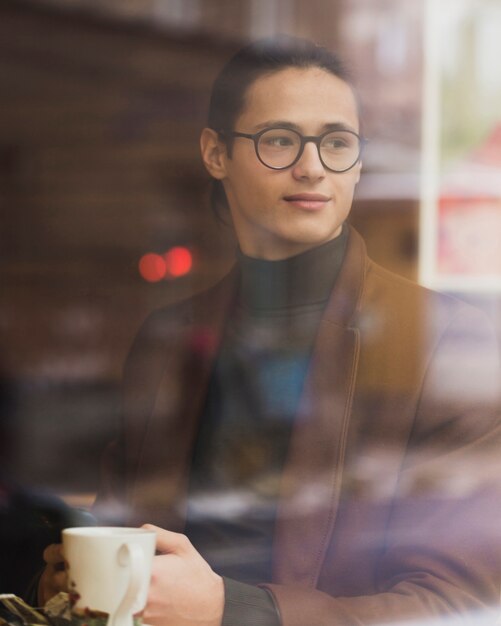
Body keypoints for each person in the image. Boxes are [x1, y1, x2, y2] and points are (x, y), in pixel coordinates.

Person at [39, 36, 501, 625]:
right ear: (215, 153)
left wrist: (235, 611)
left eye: (336, 143)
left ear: (357, 163)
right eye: (280, 139)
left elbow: (457, 606)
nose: (312, 167)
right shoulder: (168, 338)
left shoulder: (447, 340)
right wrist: (73, 578)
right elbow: (121, 536)